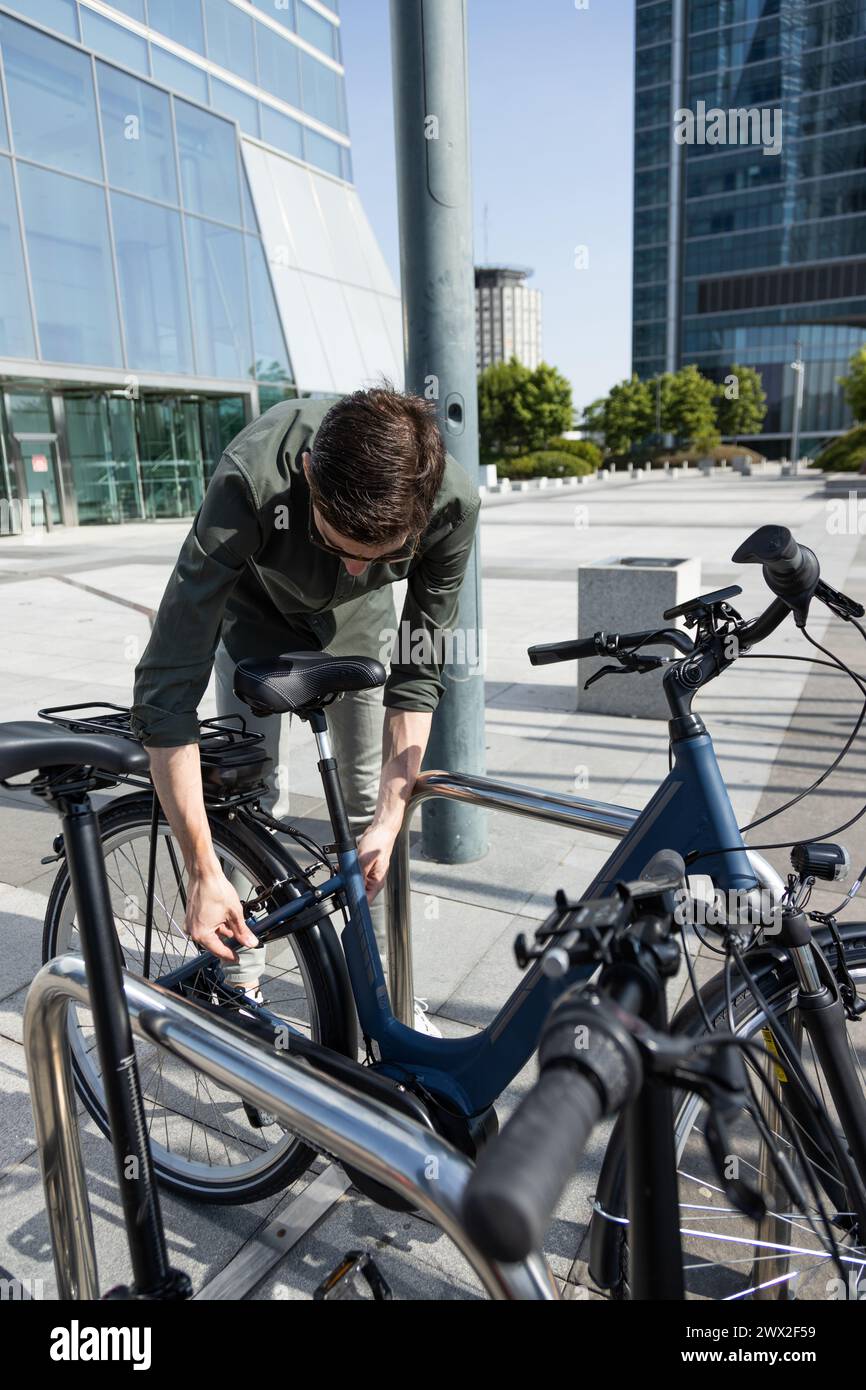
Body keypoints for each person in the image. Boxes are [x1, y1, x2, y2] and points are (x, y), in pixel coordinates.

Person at [131, 386, 481, 1034]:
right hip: (254, 621)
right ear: (308, 473)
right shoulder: (250, 477)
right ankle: (238, 974)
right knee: (246, 797)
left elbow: (419, 668)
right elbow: (168, 682)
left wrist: (391, 817)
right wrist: (200, 868)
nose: (355, 567)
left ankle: (383, 994)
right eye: (336, 541)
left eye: (379, 557)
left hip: (360, 633)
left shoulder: (451, 503)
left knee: (369, 810)